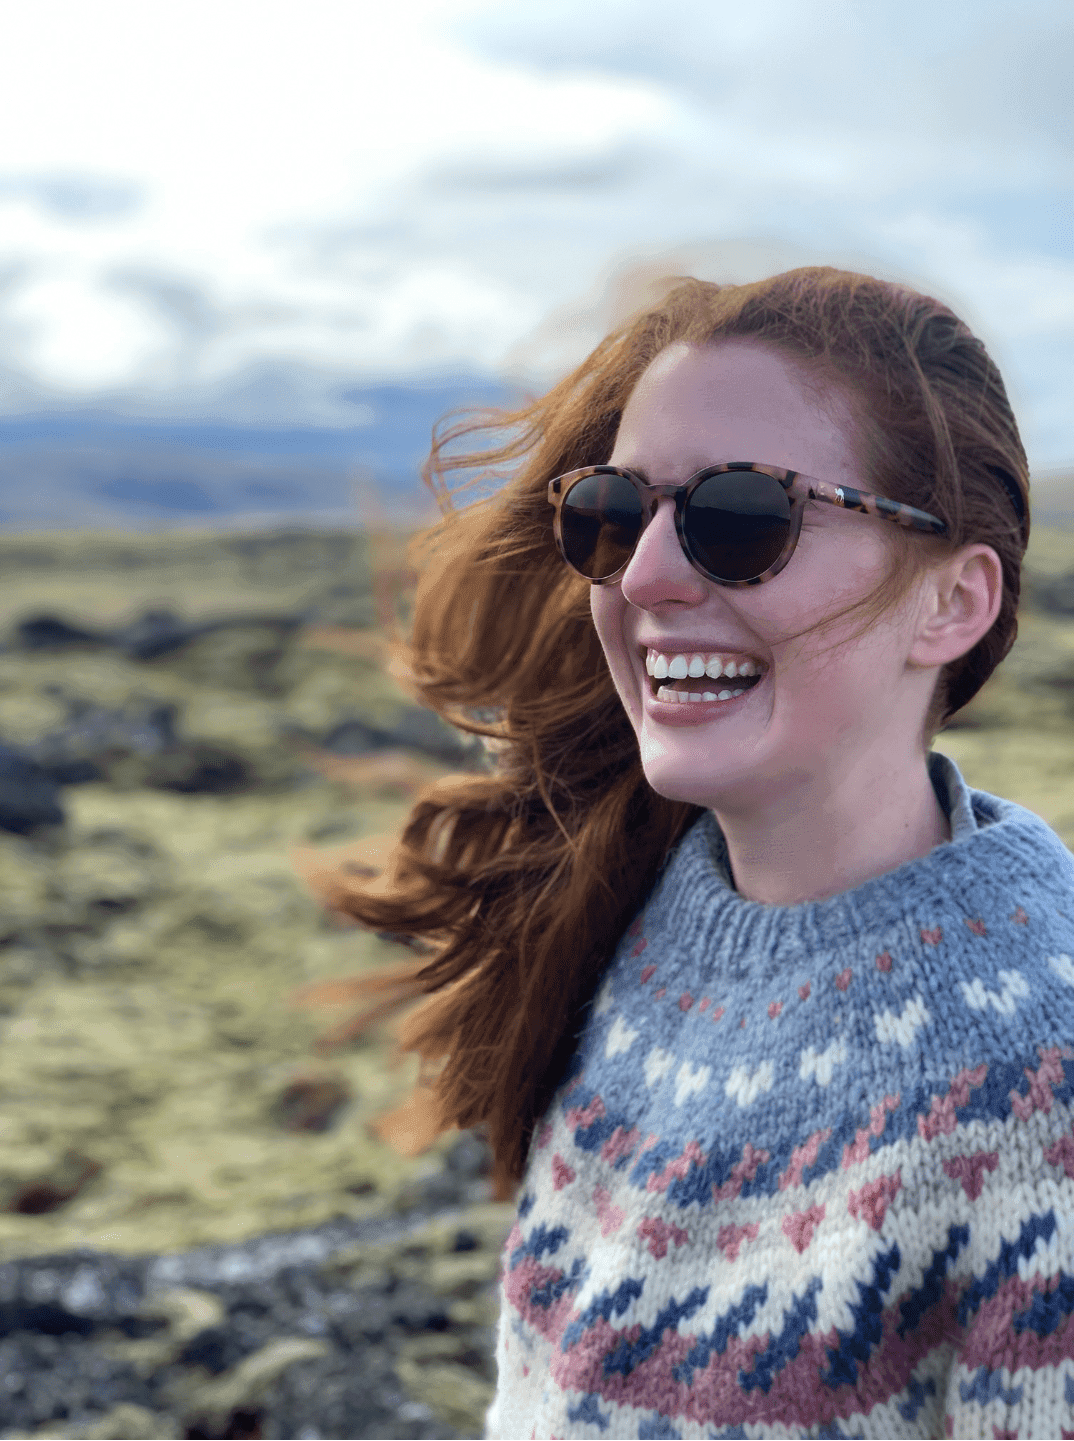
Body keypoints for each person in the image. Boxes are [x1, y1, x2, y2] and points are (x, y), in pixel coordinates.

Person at [319, 268, 1074, 1439]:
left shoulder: (1044, 1075)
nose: (643, 575)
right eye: (614, 513)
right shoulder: (636, 921)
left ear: (954, 602)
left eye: (740, 517)